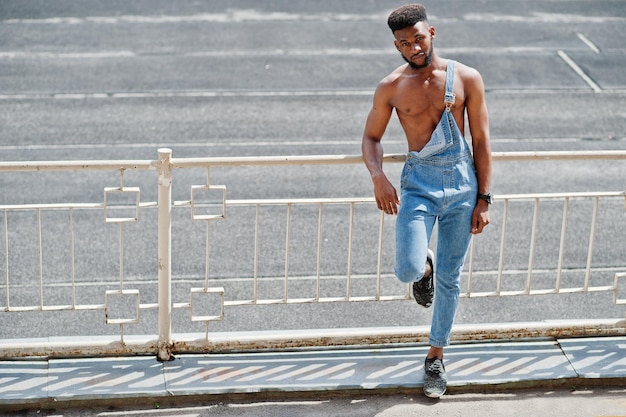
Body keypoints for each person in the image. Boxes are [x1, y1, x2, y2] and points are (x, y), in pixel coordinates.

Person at [361, 4, 492, 398]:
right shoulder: (391, 87)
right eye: (403, 43)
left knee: (451, 280)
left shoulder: (466, 77)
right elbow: (371, 138)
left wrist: (484, 199)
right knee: (407, 269)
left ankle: (436, 356)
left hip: (462, 186)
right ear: (396, 45)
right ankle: (424, 265)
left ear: (431, 32)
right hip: (418, 185)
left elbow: (482, 141)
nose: (413, 48)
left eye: (418, 38)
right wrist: (378, 177)